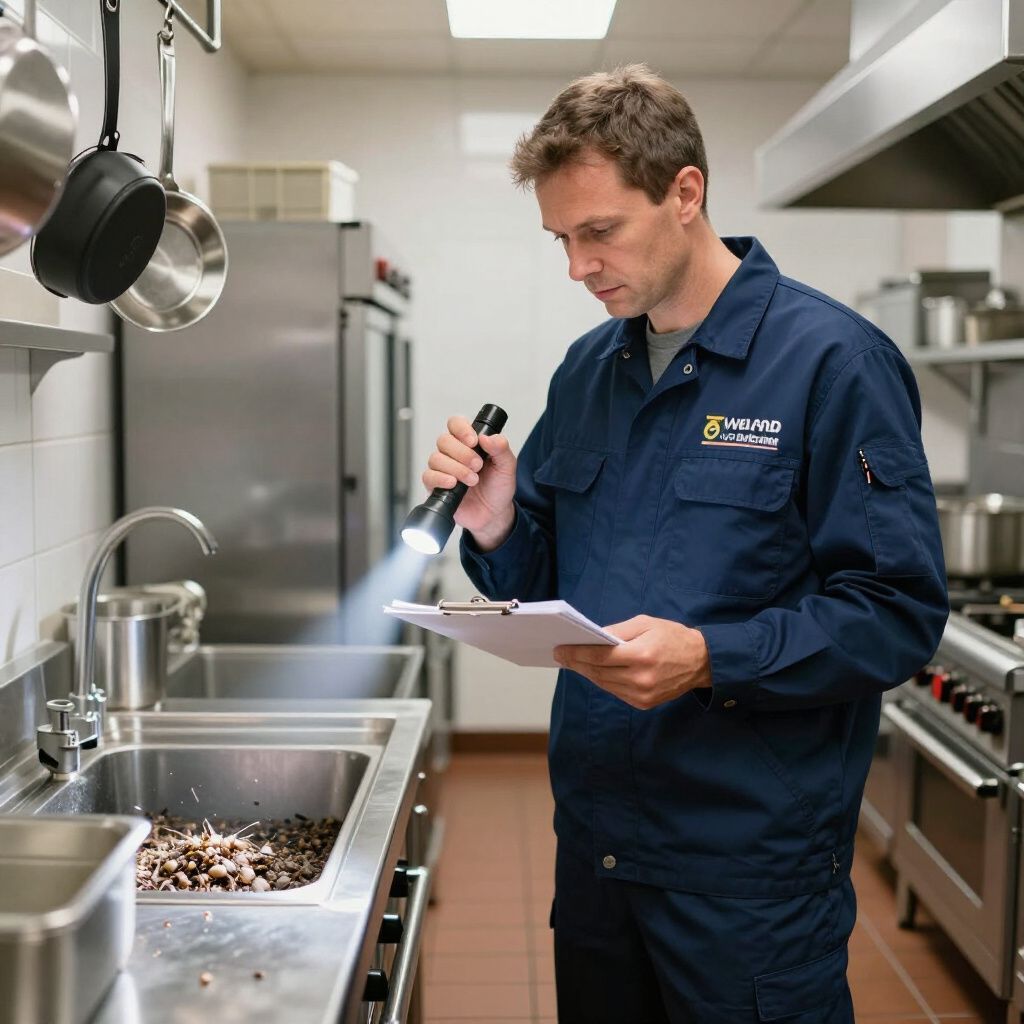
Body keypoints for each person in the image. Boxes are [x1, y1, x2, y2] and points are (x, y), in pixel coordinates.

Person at [420, 65, 948, 1023]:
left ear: (686, 193)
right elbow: (549, 576)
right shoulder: (590, 368)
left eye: (599, 231)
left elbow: (895, 614)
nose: (578, 266)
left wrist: (711, 658)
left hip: (746, 872)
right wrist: (497, 522)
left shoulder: (834, 364)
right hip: (596, 850)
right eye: (560, 240)